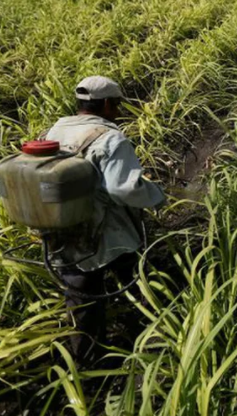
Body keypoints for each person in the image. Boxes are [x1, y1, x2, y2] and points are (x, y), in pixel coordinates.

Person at [43, 75, 166, 363]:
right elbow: (124, 188)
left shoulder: (57, 129)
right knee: (135, 275)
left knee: (80, 297)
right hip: (105, 232)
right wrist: (157, 196)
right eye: (118, 105)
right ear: (108, 104)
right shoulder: (110, 138)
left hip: (62, 228)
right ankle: (153, 332)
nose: (120, 111)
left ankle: (85, 359)